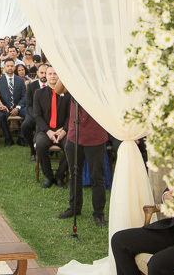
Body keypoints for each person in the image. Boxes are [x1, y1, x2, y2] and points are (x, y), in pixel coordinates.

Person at [61, 97, 109, 227]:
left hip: (95, 135)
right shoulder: (73, 80)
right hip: (74, 135)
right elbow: (59, 89)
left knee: (97, 177)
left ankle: (99, 213)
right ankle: (74, 207)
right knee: (74, 174)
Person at [32, 67, 70, 188]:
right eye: (50, 74)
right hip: (45, 130)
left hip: (62, 130)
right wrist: (48, 131)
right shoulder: (39, 93)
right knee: (41, 145)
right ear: (46, 76)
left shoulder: (67, 95)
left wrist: (64, 131)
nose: (53, 76)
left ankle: (59, 176)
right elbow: (37, 116)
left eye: (55, 74)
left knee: (71, 147)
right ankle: (48, 176)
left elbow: (71, 116)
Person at [0, 62, 27, 147]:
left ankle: (21, 137)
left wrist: (18, 107)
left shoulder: (20, 80)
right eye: (8, 66)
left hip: (18, 107)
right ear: (4, 67)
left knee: (29, 113)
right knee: (0, 116)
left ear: (14, 67)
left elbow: (24, 96)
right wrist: (0, 106)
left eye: (11, 66)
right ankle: (8, 138)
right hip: (5, 108)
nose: (10, 68)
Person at [22, 63, 47, 157]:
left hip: (48, 114)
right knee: (25, 125)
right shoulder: (31, 86)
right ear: (37, 73)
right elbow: (28, 105)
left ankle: (45, 148)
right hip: (33, 114)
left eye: (45, 73)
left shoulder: (54, 85)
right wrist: (36, 117)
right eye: (41, 72)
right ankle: (33, 150)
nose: (44, 75)